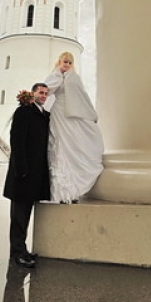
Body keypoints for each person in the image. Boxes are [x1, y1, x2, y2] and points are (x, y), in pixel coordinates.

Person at [45, 52, 104, 204]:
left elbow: (82, 97)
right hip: (58, 114)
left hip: (71, 116)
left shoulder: (75, 78)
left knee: (73, 147)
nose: (67, 65)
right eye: (65, 62)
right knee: (59, 147)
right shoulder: (53, 76)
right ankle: (60, 193)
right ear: (59, 62)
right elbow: (45, 91)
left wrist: (91, 114)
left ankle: (73, 190)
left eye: (70, 62)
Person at [3, 83, 50, 268]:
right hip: (22, 174)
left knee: (26, 214)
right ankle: (17, 253)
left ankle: (22, 249)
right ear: (33, 94)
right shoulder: (24, 112)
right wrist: (21, 169)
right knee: (18, 216)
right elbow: (17, 141)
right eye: (40, 92)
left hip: (35, 175)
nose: (43, 96)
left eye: (46, 93)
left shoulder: (44, 115)